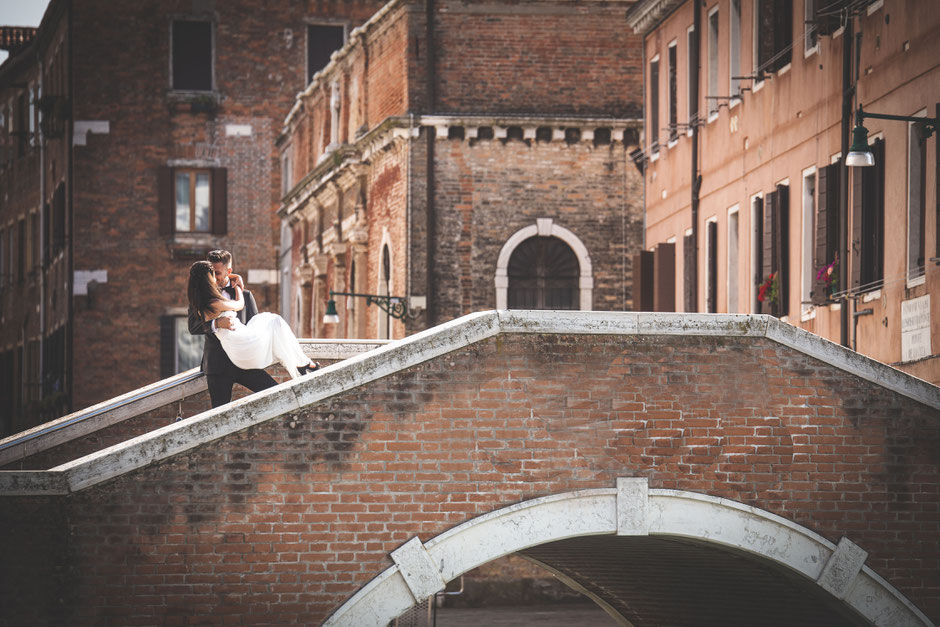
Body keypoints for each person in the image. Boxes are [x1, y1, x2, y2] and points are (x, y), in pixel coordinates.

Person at [187, 250, 315, 408]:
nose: (214, 277)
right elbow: (193, 327)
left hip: (245, 361)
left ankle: (301, 363)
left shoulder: (246, 295)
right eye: (211, 273)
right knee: (218, 413)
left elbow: (254, 325)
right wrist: (217, 324)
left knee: (277, 396)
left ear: (229, 271)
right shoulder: (202, 297)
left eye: (217, 273)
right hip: (218, 364)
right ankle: (304, 364)